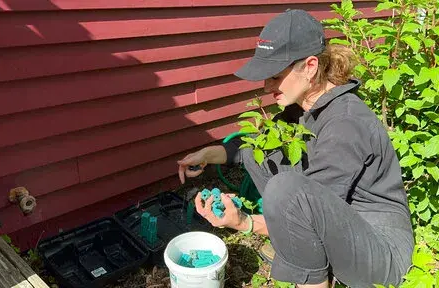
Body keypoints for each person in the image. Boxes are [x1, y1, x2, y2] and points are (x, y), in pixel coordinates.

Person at [176, 9, 413, 288]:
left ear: (311, 67)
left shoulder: (346, 124)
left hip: (381, 252)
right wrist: (207, 155)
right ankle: (307, 259)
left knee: (285, 188)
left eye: (275, 76)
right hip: (345, 227)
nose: (266, 86)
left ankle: (314, 281)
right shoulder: (304, 108)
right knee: (260, 152)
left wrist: (243, 222)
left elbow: (300, 209)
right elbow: (251, 146)